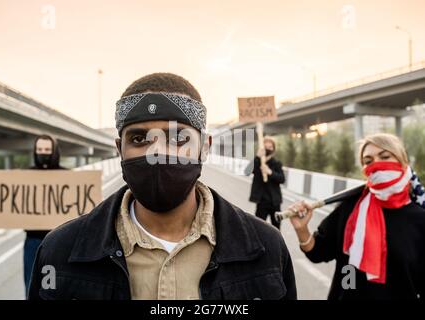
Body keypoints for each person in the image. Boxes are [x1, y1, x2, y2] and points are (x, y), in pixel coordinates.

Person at [28, 73, 296, 300]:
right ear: (119, 149)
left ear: (204, 148)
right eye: (139, 138)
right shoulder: (60, 252)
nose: (156, 151)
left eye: (178, 137)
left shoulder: (267, 248)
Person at [288, 133, 425, 300]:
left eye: (385, 156)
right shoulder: (351, 206)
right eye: (368, 161)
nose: (376, 165)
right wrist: (301, 229)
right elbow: (318, 252)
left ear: (402, 161)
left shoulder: (420, 219)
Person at [23, 134, 65, 294]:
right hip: (33, 241)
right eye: (39, 149)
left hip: (60, 241)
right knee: (31, 286)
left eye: (47, 149)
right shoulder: (25, 176)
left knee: (58, 288)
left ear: (54, 151)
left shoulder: (69, 177)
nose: (43, 153)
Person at [245, 136, 285, 229]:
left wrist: (270, 172)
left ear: (273, 149)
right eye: (266, 147)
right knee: (258, 227)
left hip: (274, 201)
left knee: (276, 228)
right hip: (261, 201)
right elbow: (247, 171)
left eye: (270, 147)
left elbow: (282, 179)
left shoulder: (276, 163)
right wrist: (257, 157)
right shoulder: (257, 162)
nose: (268, 149)